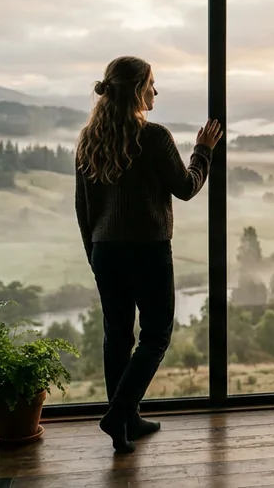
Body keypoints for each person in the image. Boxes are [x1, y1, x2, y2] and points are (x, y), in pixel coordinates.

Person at [74, 56, 223, 453]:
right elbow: (186, 187)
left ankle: (126, 423)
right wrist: (203, 151)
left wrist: (94, 254)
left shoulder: (89, 139)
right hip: (149, 250)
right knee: (156, 335)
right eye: (152, 84)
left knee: (117, 336)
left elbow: (83, 209)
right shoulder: (155, 136)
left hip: (105, 251)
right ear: (138, 88)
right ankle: (118, 414)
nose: (156, 91)